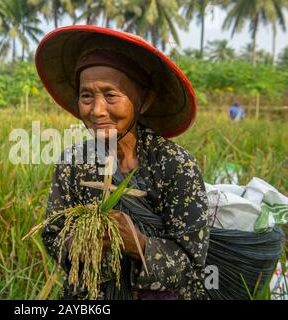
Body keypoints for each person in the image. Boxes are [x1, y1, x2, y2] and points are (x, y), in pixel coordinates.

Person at [36, 26, 210, 300]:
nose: (97, 110)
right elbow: (52, 236)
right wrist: (77, 243)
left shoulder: (175, 166)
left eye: (111, 95)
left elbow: (194, 268)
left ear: (145, 100)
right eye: (86, 96)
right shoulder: (73, 164)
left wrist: (138, 244)